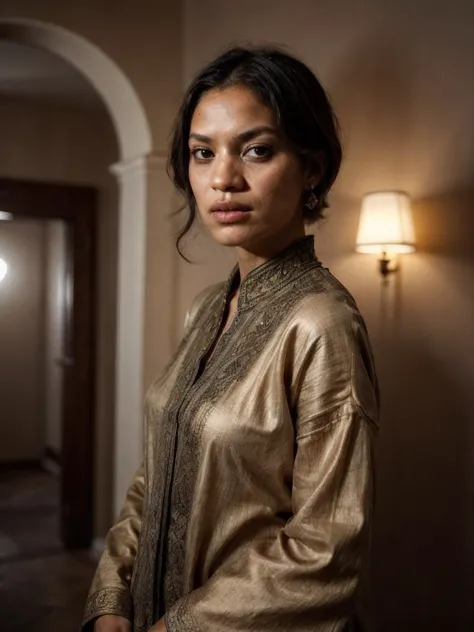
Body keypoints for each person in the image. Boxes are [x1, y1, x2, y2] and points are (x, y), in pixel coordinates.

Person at [83, 46, 379, 632]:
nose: (222, 178)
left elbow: (326, 548)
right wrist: (112, 599)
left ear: (312, 166)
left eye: (257, 150)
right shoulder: (207, 308)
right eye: (202, 153)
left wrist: (178, 626)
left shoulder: (322, 324)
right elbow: (153, 474)